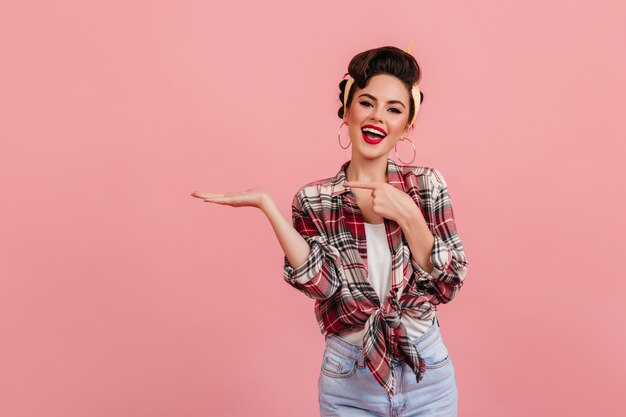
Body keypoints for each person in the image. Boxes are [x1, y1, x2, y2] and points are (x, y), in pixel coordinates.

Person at [191, 44, 469, 417]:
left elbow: (448, 283)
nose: (378, 118)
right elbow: (322, 286)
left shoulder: (426, 186)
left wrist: (410, 218)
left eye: (394, 109)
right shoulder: (314, 199)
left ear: (408, 126)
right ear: (347, 108)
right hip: (348, 377)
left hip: (426, 372)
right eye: (367, 103)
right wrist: (267, 206)